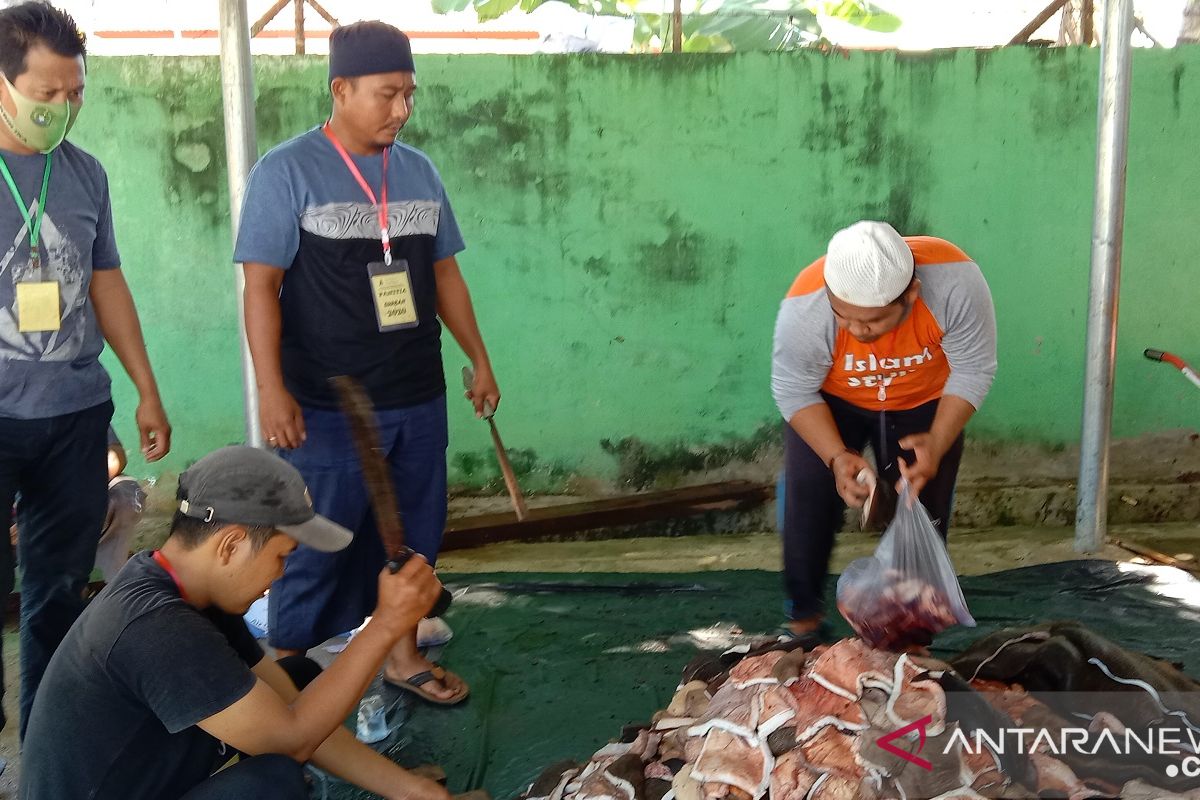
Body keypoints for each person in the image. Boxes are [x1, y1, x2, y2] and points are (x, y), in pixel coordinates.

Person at [237, 20, 499, 704]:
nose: (401, 110)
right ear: (341, 89)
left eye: (409, 94)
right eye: (387, 94)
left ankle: (401, 654)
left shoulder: (419, 171)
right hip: (326, 404)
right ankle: (286, 681)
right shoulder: (286, 172)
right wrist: (272, 389)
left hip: (417, 391)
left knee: (414, 536)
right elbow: (260, 286)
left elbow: (445, 275)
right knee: (314, 544)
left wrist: (479, 359)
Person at [21, 445, 452, 800]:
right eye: (280, 556)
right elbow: (293, 739)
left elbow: (292, 713)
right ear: (230, 545)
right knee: (270, 786)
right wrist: (386, 623)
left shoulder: (182, 589)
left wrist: (411, 791)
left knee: (297, 680)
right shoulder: (158, 627)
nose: (280, 574)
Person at [0, 0, 170, 736]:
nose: (65, 107)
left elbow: (107, 283)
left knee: (57, 593)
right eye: (47, 94)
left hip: (74, 416)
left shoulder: (84, 174)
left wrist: (146, 390)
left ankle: (44, 747)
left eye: (75, 92)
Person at [771, 221, 996, 645]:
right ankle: (803, 620)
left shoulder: (955, 282)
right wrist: (837, 456)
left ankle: (907, 633)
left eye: (872, 321)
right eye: (844, 317)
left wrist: (938, 441)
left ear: (910, 294)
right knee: (808, 496)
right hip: (832, 399)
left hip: (924, 400)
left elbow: (973, 367)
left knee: (924, 501)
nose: (857, 331)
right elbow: (793, 388)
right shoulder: (807, 304)